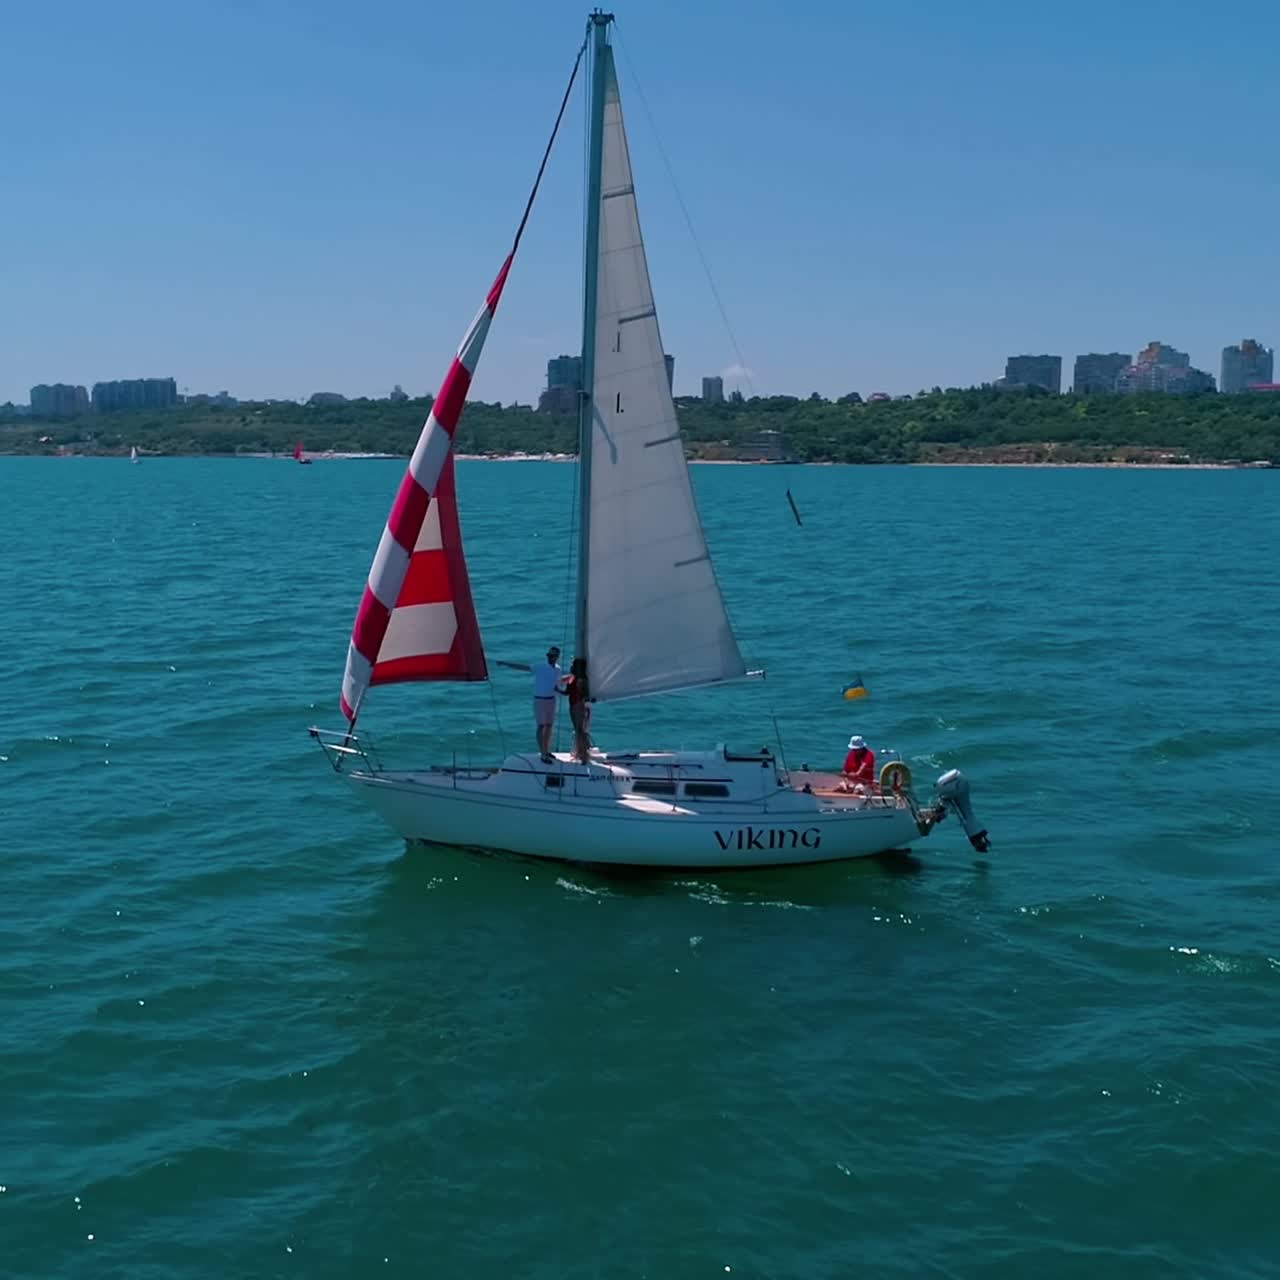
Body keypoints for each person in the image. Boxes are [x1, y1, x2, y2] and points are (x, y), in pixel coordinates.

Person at [530, 645, 564, 762]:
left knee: (549, 726)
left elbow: (555, 685)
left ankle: (547, 750)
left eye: (552, 656)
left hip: (551, 699)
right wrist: (506, 664)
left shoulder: (558, 669)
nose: (549, 657)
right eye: (548, 655)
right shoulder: (540, 667)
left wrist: (563, 692)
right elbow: (525, 668)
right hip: (540, 699)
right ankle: (542, 753)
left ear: (557, 657)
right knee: (541, 726)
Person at [562, 657, 593, 762]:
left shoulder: (573, 678)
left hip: (574, 706)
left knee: (578, 730)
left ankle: (582, 754)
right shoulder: (585, 679)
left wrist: (556, 689)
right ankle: (584, 751)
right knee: (581, 730)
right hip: (581, 705)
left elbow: (567, 692)